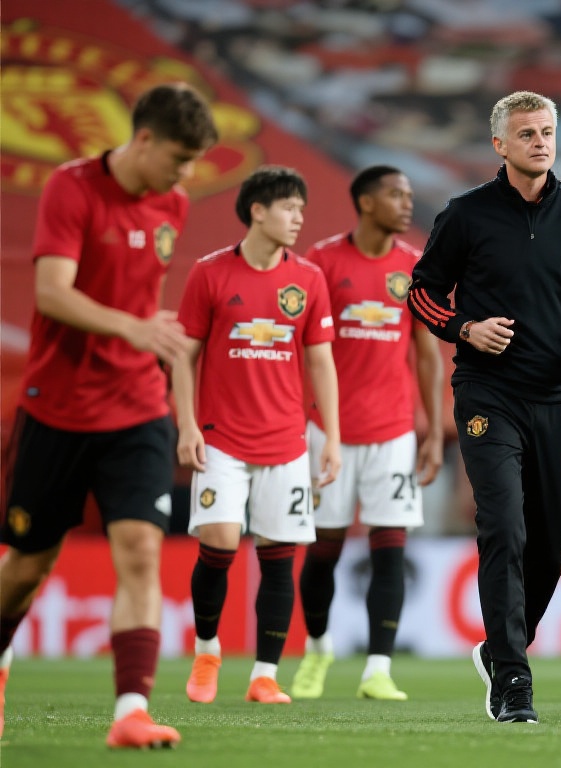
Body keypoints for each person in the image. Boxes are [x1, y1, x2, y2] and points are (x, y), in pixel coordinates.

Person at [0, 82, 217, 748]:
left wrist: (156, 345)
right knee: (28, 568)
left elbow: (141, 295)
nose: (185, 176)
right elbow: (51, 293)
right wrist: (132, 326)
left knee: (142, 550)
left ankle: (131, 712)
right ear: (143, 139)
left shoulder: (172, 202)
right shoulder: (72, 189)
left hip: (136, 405)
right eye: (178, 158)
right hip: (58, 408)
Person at [408, 91, 561, 724]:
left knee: (550, 546)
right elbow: (421, 292)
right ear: (500, 144)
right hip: (488, 394)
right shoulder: (466, 213)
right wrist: (465, 328)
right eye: (527, 133)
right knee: (504, 526)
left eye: (547, 131)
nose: (540, 142)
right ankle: (513, 679)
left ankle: (500, 647)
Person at [172, 165, 340, 707]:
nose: (298, 218)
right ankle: (207, 651)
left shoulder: (308, 279)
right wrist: (186, 424)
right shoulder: (209, 273)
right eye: (289, 207)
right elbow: (184, 356)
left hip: (287, 442)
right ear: (257, 211)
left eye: (301, 209)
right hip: (220, 439)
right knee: (219, 542)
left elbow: (321, 363)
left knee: (278, 556)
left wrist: (332, 437)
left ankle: (265, 675)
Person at [289, 165, 444, 701]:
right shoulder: (323, 261)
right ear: (366, 202)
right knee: (324, 551)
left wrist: (433, 431)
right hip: (328, 432)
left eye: (409, 193)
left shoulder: (414, 266)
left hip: (393, 432)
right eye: (395, 194)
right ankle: (317, 649)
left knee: (390, 550)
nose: (407, 202)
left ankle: (378, 669)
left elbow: (427, 355)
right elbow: (302, 348)